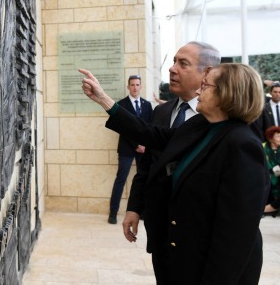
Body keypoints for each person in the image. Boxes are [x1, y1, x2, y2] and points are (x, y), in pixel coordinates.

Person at [80, 63, 268, 285]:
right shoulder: (202, 125)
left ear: (227, 93)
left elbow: (234, 237)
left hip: (210, 270)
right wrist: (105, 101)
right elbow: (153, 135)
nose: (199, 91)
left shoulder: (242, 145)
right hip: (181, 257)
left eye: (206, 86)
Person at [121, 41, 221, 280]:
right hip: (161, 232)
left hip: (198, 239)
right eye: (174, 61)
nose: (172, 69)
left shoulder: (218, 120)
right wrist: (135, 207)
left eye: (183, 63)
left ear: (206, 73)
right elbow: (147, 167)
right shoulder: (162, 112)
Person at [108, 75, 153, 224]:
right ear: (128, 87)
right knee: (121, 179)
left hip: (144, 149)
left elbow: (150, 128)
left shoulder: (147, 105)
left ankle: (143, 212)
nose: (135, 87)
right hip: (127, 148)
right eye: (132, 85)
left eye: (137, 84)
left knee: (144, 179)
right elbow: (123, 129)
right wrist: (136, 145)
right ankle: (113, 212)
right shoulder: (121, 105)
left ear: (141, 86)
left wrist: (145, 145)